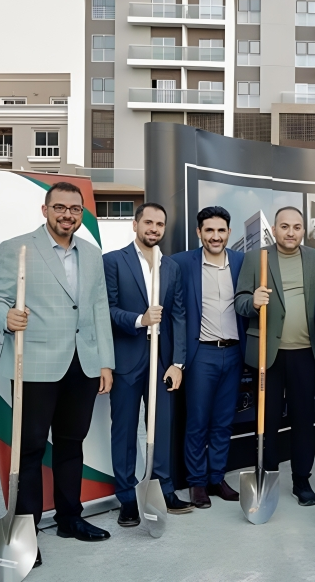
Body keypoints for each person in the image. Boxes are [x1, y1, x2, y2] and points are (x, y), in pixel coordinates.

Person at [0, 182, 115, 568]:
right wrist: (6, 317)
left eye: (74, 209)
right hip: (35, 364)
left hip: (83, 364)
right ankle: (25, 531)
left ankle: (70, 518)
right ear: (45, 210)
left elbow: (99, 308)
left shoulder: (91, 253)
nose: (67, 215)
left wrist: (105, 362)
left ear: (81, 213)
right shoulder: (17, 248)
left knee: (72, 444)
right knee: (30, 449)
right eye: (59, 207)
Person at [104, 203, 191, 526]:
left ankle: (163, 489)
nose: (154, 229)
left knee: (161, 428)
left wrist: (178, 362)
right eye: (148, 222)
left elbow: (179, 315)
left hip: (162, 362)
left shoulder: (171, 267)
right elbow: (107, 309)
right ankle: (127, 497)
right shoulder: (113, 261)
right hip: (126, 360)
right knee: (125, 431)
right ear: (135, 224)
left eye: (160, 224)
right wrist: (140, 319)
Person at [234, 207, 315, 506]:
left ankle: (302, 481)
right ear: (273, 230)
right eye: (284, 226)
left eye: (296, 227)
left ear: (303, 231)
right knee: (267, 420)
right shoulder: (255, 258)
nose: (290, 232)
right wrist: (253, 301)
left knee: (303, 419)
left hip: (305, 353)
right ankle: (268, 476)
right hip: (267, 354)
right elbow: (239, 301)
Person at [171, 207, 246, 508]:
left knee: (224, 421)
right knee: (197, 421)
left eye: (221, 230)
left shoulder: (242, 262)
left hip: (234, 352)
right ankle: (197, 483)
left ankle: (217, 478)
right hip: (201, 353)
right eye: (209, 230)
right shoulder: (181, 263)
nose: (215, 236)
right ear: (199, 232)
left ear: (229, 232)